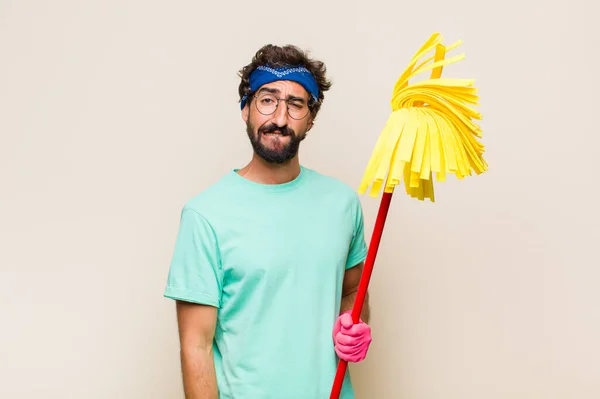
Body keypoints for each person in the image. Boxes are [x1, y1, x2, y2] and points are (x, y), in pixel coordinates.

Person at [163, 44, 373, 399]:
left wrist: (356, 324)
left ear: (311, 117)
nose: (279, 118)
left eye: (296, 104)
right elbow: (195, 346)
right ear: (246, 109)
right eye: (267, 100)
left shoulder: (342, 204)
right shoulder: (206, 215)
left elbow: (353, 289)